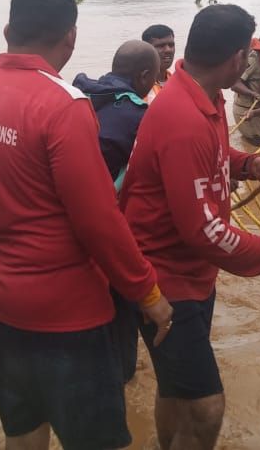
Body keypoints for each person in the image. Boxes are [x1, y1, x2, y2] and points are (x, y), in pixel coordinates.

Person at [0, 0, 172, 450]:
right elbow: (99, 222)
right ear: (70, 38)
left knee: (25, 432)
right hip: (64, 312)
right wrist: (147, 292)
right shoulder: (63, 106)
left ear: (7, 29)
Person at [121, 4, 260, 450]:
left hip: (189, 276)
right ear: (234, 59)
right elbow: (203, 230)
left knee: (174, 389)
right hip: (167, 284)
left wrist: (248, 164)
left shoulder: (204, 96)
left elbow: (212, 154)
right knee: (208, 408)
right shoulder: (181, 117)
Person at [73, 39, 161, 383]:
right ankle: (122, 378)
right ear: (143, 77)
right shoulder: (140, 116)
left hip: (64, 232)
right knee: (120, 318)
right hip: (106, 235)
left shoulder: (80, 98)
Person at [72, 40, 160, 190]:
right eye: (154, 77)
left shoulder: (80, 94)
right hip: (101, 194)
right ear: (144, 76)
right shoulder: (138, 115)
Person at [142, 23, 176, 103]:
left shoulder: (178, 80)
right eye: (161, 46)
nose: (168, 50)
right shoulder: (140, 86)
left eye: (171, 45)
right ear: (146, 49)